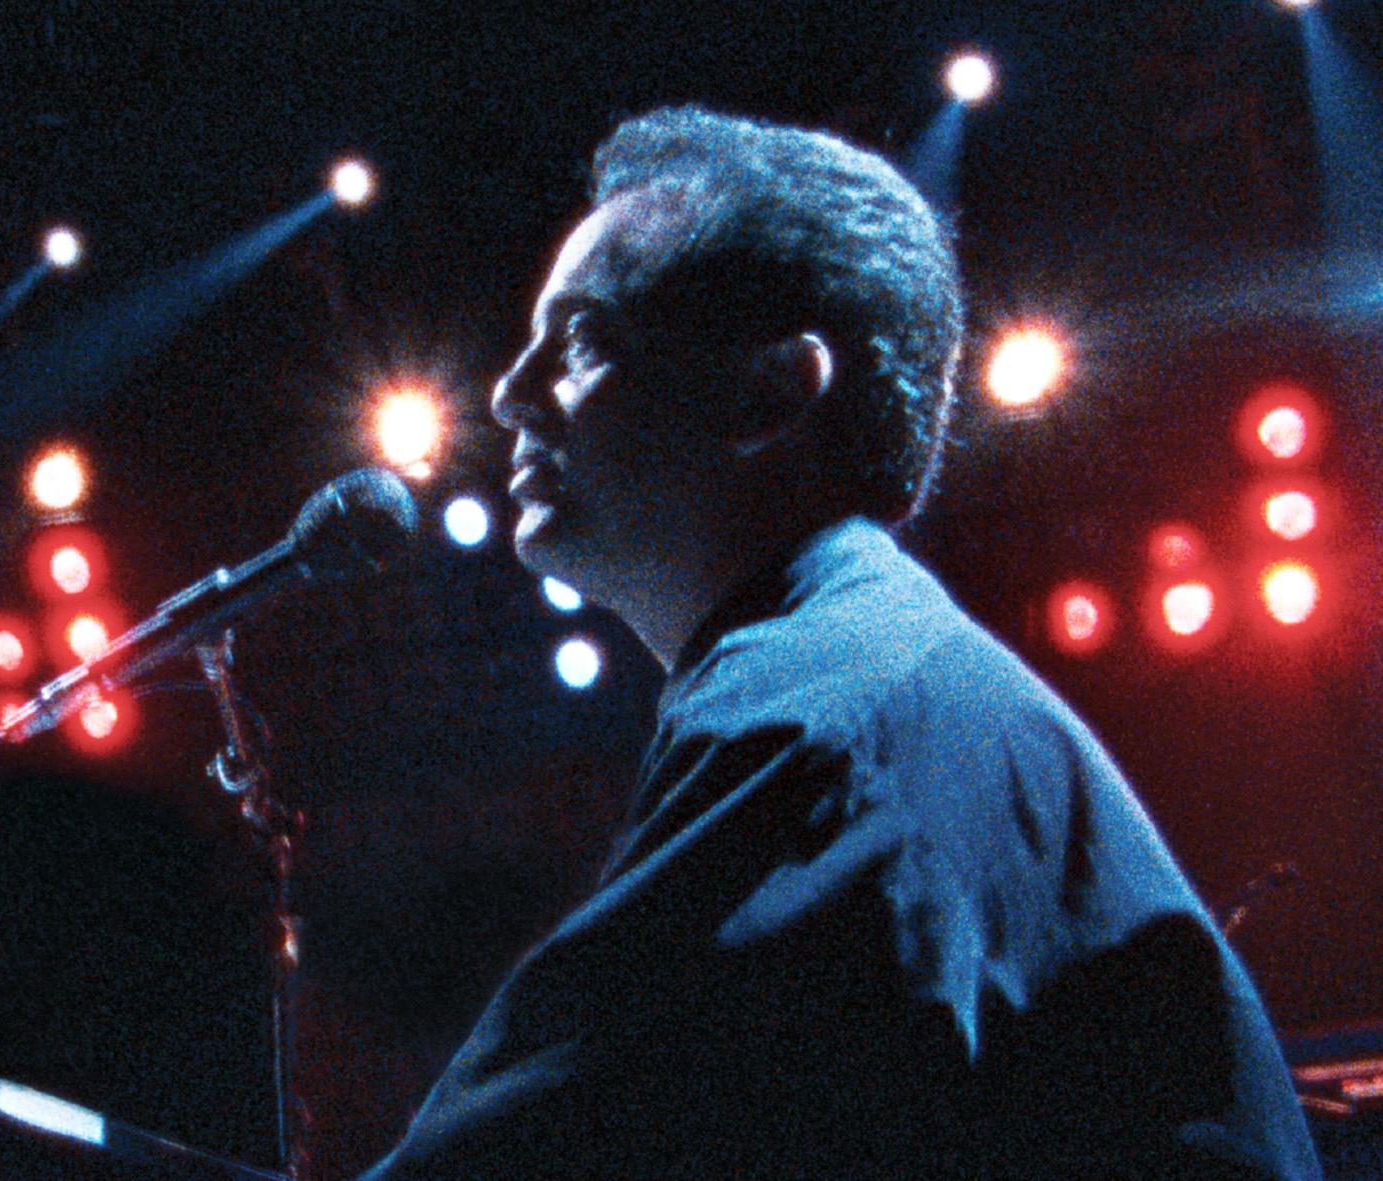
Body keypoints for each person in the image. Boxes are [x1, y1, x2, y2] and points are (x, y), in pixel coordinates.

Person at [357, 107, 1319, 1179]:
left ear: (771, 392)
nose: (509, 393)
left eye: (581, 340)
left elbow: (562, 1126)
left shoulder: (824, 713)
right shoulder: (869, 667)